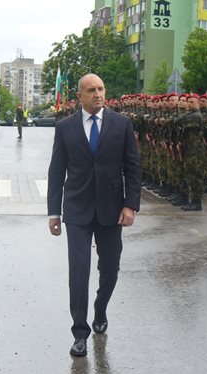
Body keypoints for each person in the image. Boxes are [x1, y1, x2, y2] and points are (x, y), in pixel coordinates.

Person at [47, 74, 141, 357]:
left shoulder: (122, 124)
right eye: (91, 90)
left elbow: (132, 167)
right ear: (80, 96)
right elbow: (56, 171)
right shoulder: (65, 127)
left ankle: (100, 307)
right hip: (77, 209)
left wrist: (130, 205)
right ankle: (79, 332)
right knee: (78, 271)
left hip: (112, 210)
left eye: (101, 88)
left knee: (110, 268)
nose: (97, 94)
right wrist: (54, 212)